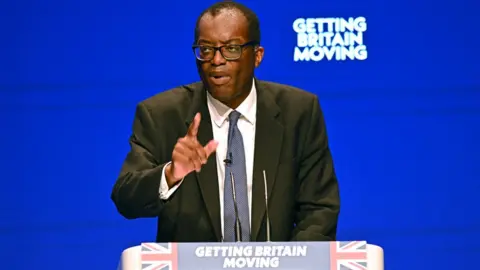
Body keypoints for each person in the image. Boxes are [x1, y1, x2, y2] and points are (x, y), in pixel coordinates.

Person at [111, 1, 340, 242]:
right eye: (206, 49)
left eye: (231, 48)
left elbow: (319, 208)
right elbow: (125, 198)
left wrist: (295, 263)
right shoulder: (161, 115)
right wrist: (171, 173)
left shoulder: (299, 112)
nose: (216, 60)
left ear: (257, 56)